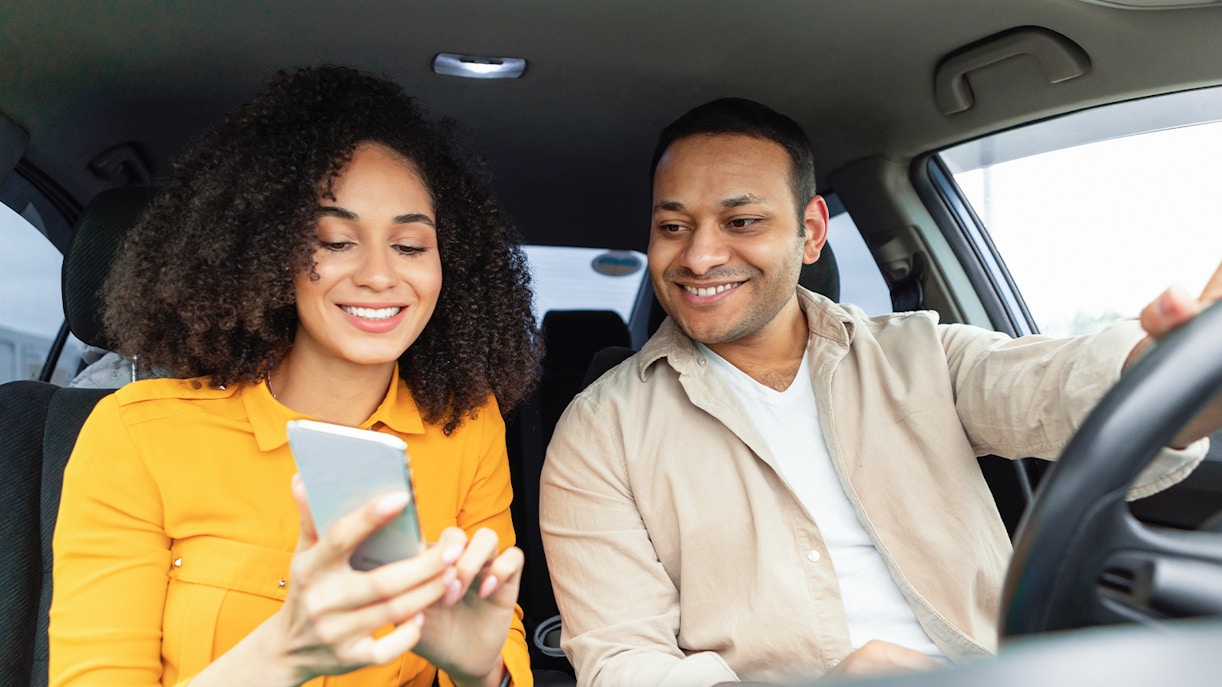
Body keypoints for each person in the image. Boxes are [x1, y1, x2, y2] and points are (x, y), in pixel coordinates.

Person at [538, 97, 1221, 686]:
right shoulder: (600, 432)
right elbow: (625, 659)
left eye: (741, 222)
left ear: (810, 232)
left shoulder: (923, 354)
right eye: (673, 225)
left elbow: (1058, 386)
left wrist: (1179, 365)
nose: (700, 254)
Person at [49, 66, 542, 687]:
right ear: (266, 253)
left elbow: (500, 649)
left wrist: (481, 672)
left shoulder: (466, 429)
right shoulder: (137, 436)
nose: (379, 275)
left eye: (411, 247)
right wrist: (284, 654)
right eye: (336, 241)